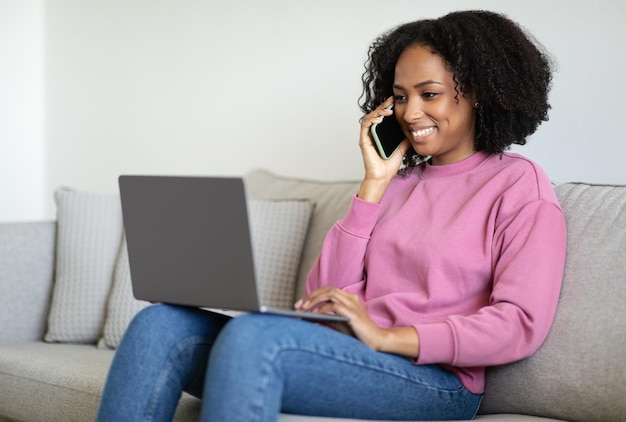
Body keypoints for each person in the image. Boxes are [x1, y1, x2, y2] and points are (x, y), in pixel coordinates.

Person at [97, 10, 566, 422]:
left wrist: (389, 336)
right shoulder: (395, 185)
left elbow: (519, 323)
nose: (411, 111)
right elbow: (324, 300)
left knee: (254, 338)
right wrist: (373, 185)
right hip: (354, 352)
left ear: (479, 93)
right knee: (159, 325)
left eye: (429, 93)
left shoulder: (518, 185)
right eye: (400, 96)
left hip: (438, 381)